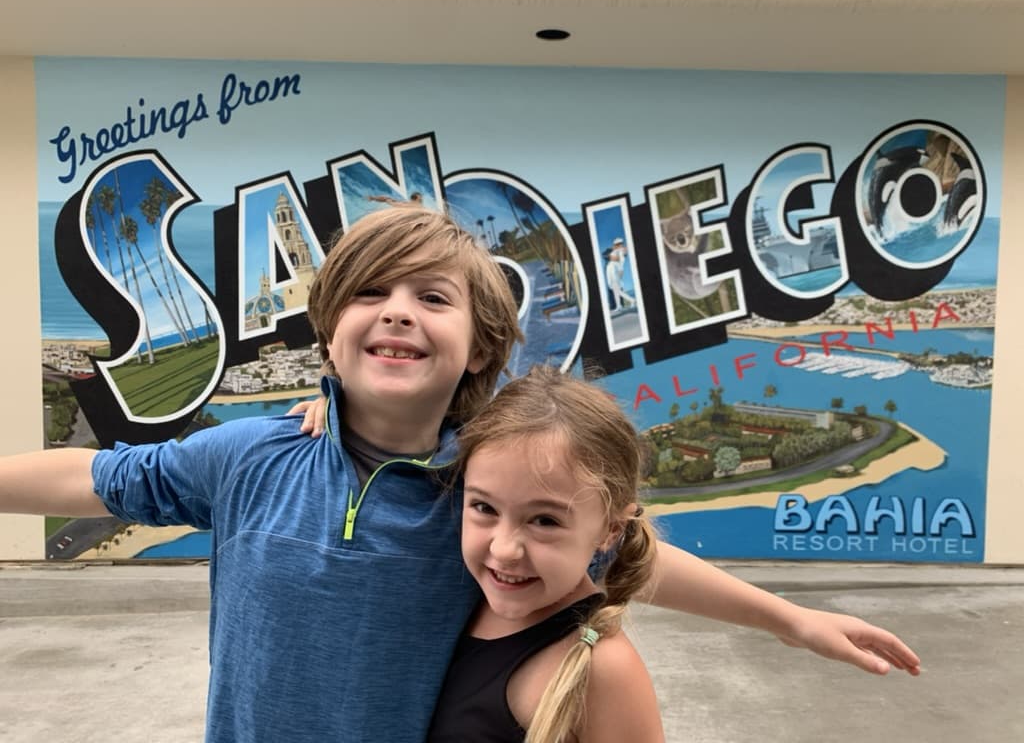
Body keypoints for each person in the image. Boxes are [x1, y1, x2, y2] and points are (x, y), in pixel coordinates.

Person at [1, 205, 918, 743]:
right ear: (329, 326)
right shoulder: (247, 455)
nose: (398, 313)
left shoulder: (484, 487)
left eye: (431, 298)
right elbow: (96, 475)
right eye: (371, 292)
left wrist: (788, 619)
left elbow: (629, 551)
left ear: (478, 342)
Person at [427, 364, 664, 742]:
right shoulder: (460, 593)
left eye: (544, 521)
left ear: (611, 529)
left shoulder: (603, 669)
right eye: (484, 508)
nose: (503, 550)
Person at [604, 238, 635, 313]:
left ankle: (632, 300)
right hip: (610, 269)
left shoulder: (621, 251)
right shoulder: (617, 250)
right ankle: (619, 306)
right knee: (612, 287)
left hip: (614, 270)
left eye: (617, 244)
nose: (615, 246)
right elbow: (607, 256)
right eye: (616, 244)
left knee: (616, 289)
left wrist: (612, 253)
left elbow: (616, 260)